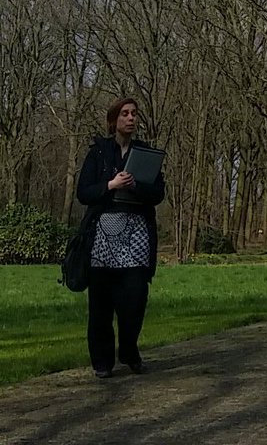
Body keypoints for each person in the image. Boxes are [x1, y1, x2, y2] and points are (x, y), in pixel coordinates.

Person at [75, 97, 165, 378]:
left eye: (134, 114)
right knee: (101, 304)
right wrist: (111, 185)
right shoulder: (98, 153)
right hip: (103, 235)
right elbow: (84, 192)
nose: (131, 118)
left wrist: (135, 185)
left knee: (135, 298)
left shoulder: (145, 153)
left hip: (137, 234)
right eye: (125, 114)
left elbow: (158, 194)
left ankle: (129, 351)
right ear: (114, 120)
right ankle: (102, 362)